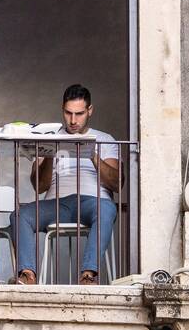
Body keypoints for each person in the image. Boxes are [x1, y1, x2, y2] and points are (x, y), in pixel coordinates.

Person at [10, 85, 119, 286]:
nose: (73, 120)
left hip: (93, 202)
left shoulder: (105, 139)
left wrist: (91, 153)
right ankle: (27, 275)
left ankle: (88, 275)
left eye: (79, 114)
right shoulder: (50, 135)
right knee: (20, 214)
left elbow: (117, 183)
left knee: (107, 208)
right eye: (68, 113)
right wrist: (51, 152)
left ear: (90, 110)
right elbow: (39, 186)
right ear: (63, 110)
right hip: (57, 204)